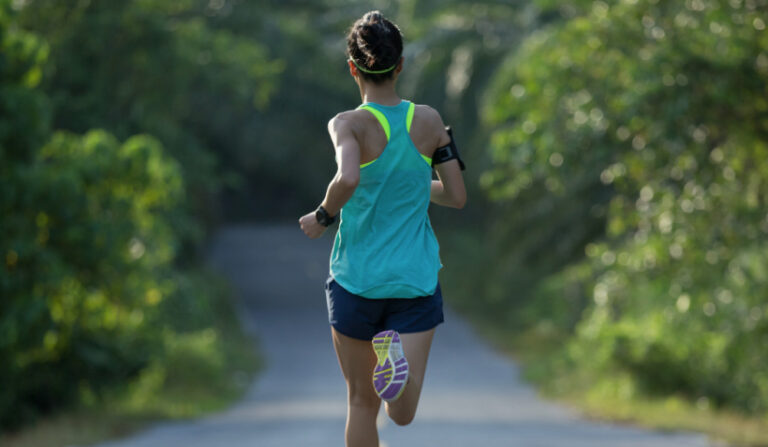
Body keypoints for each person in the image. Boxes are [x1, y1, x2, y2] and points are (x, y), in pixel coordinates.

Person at [299, 10, 466, 447]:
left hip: (357, 279)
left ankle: (387, 377)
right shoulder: (430, 121)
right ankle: (395, 376)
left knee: (359, 403)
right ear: (401, 64)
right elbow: (456, 195)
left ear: (353, 67)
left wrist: (322, 217)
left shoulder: (348, 124)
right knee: (402, 414)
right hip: (413, 280)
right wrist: (411, 180)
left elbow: (348, 178)